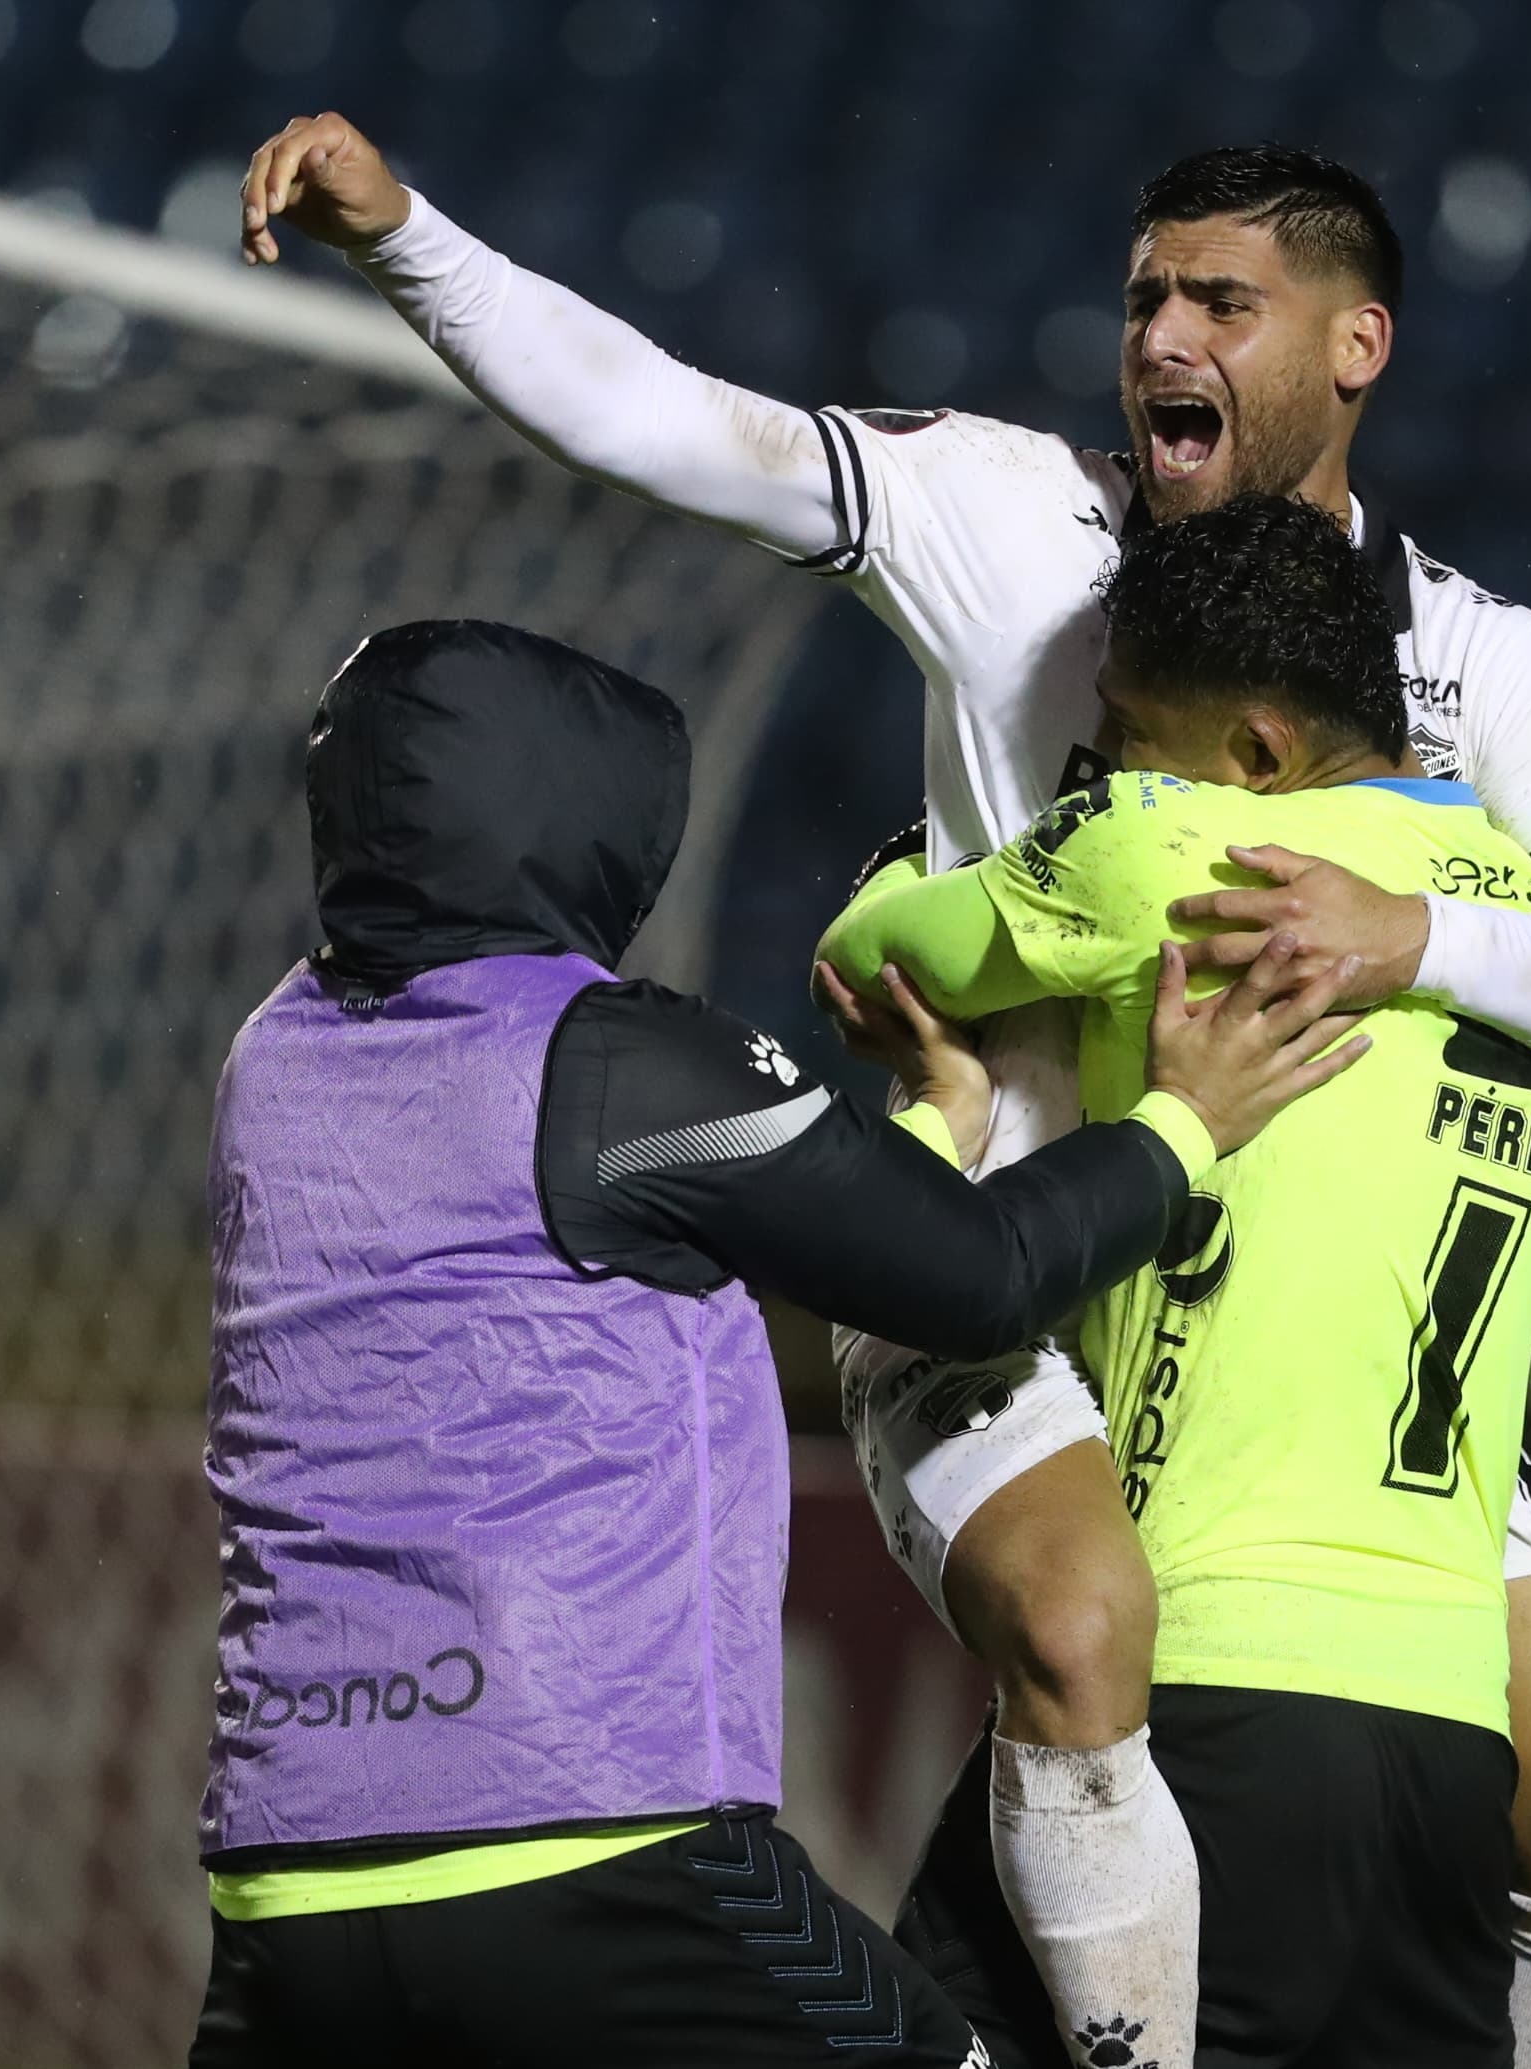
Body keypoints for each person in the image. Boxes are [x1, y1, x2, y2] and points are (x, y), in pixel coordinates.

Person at [243, 127, 1531, 2069]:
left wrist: (1402, 937)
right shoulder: (1007, 518)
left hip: (1307, 1320)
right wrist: (403, 240)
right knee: (1089, 1622)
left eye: (1217, 304)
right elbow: (670, 426)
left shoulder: (1480, 656)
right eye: (1141, 301)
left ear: (1354, 348)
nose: (1159, 340)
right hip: (997, 1244)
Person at [189, 618, 1368, 2069]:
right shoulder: (624, 1064)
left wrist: (936, 1125)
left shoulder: (273, 1060)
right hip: (593, 1854)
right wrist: (1184, 1125)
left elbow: (711, 1211)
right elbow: (979, 1275)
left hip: (285, 1891)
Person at [817, 495, 1531, 2069]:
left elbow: (877, 947)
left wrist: (947, 880)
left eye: (1125, 733)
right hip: (1451, 1756)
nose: (1105, 765)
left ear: (1249, 751)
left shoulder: (1182, 853)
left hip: (1207, 1707)